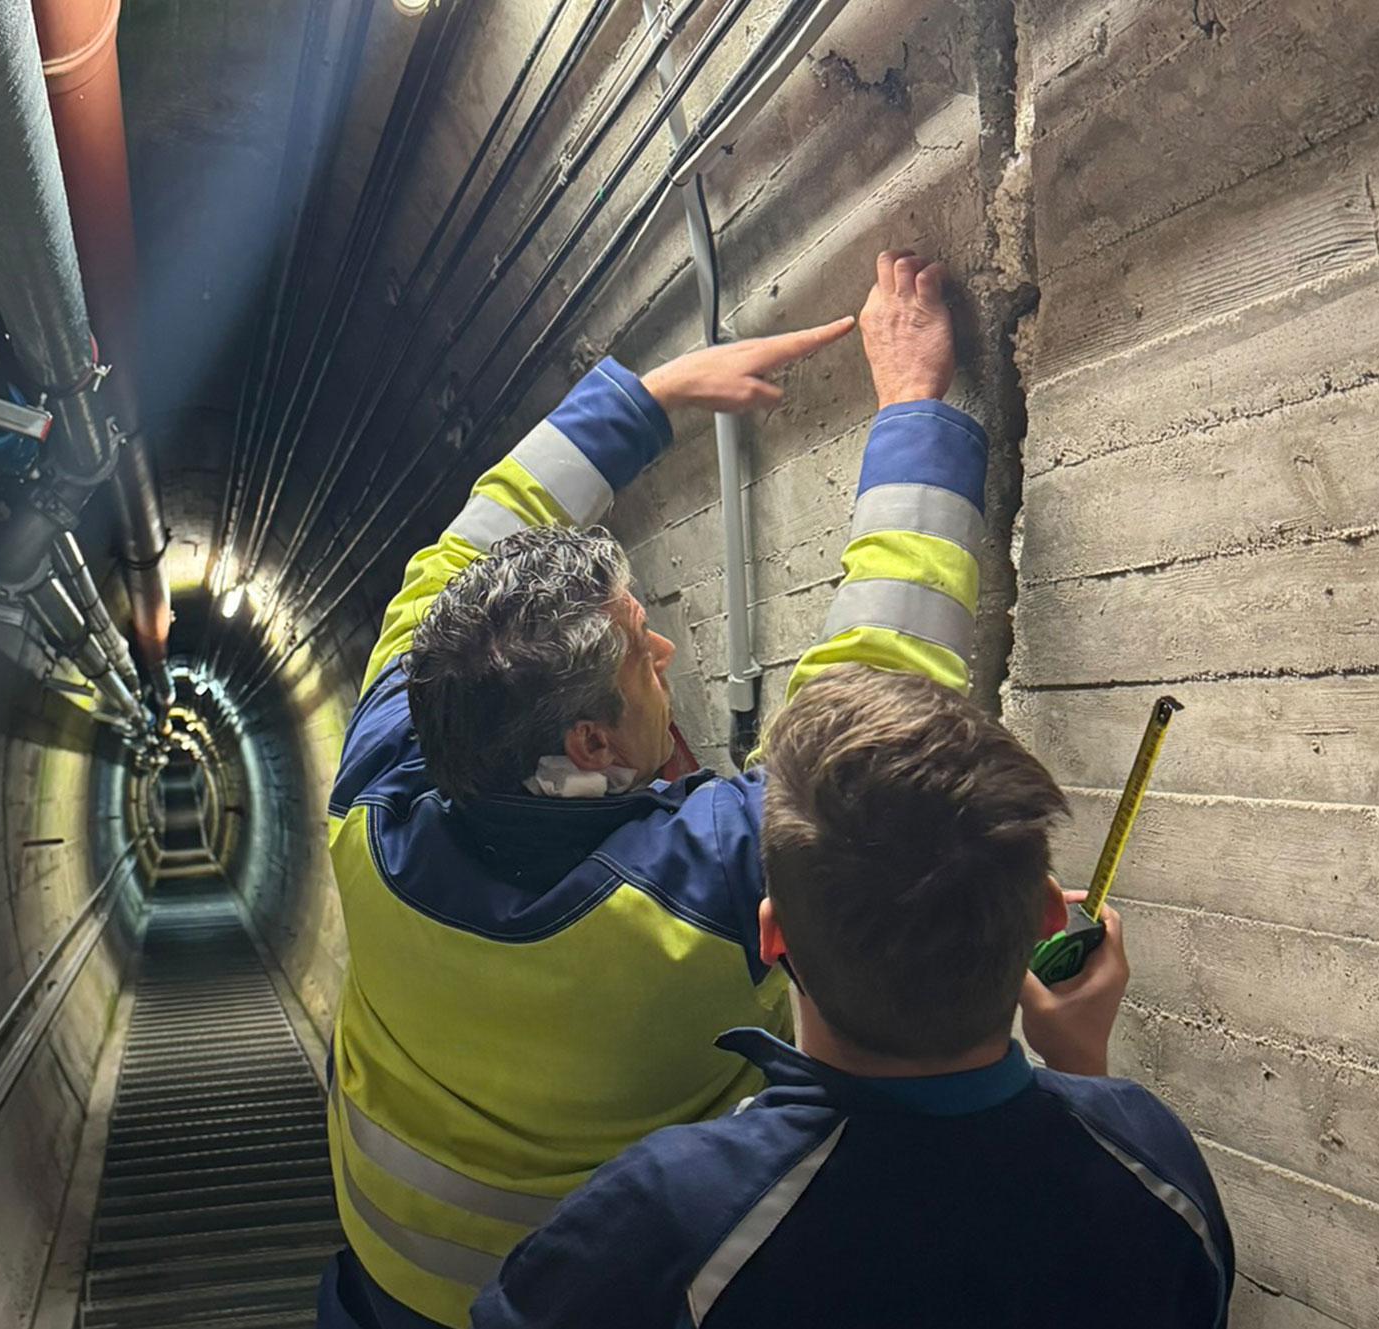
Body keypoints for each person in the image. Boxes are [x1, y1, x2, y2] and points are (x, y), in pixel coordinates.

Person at [318, 250, 994, 1328]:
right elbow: (877, 711)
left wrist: (655, 394)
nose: (666, 651)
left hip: (377, 1283)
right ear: (590, 740)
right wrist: (913, 405)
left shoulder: (377, 783)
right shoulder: (695, 889)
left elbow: (463, 549)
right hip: (575, 1304)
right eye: (642, 651)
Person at [472, 665, 1236, 1328]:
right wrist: (1081, 1069)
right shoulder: (1156, 1162)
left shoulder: (670, 1210)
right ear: (1045, 914)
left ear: (772, 937)